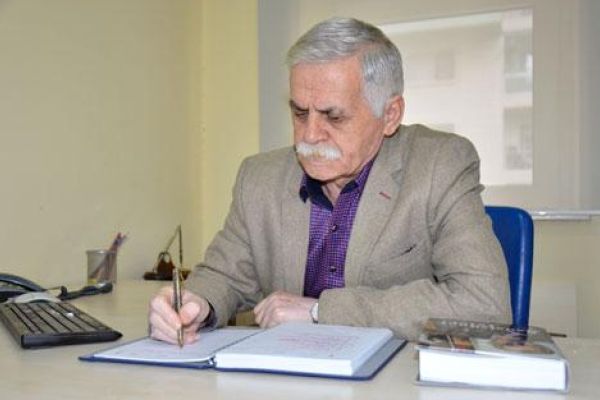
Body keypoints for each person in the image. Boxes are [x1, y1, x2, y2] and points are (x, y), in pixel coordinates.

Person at [148, 17, 511, 343]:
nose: (310, 134)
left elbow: (484, 303)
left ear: (390, 115)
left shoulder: (439, 165)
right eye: (299, 112)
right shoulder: (259, 178)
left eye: (333, 117)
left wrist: (320, 311)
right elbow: (223, 276)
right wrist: (195, 305)